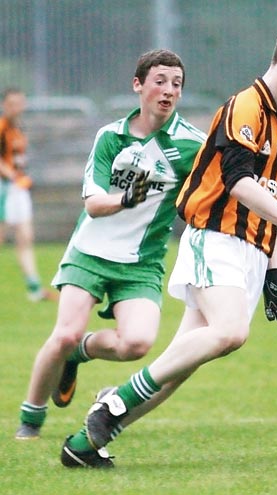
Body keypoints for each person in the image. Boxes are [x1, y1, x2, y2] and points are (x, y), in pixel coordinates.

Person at [60, 21, 277, 469]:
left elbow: (271, 196)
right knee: (231, 332)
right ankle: (113, 404)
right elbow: (238, 182)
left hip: (250, 250)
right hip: (215, 239)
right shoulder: (245, 106)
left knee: (179, 366)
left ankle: (83, 445)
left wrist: (273, 269)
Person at [15, 49, 206, 442]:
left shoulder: (191, 145)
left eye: (177, 84)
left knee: (136, 344)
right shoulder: (110, 137)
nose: (169, 90)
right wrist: (127, 198)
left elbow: (214, 187)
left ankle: (79, 353)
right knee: (63, 332)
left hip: (141, 263)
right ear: (138, 85)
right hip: (90, 254)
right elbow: (93, 204)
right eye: (160, 81)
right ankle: (30, 422)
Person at [0, 88, 56, 302]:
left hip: (18, 188)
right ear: (5, 105)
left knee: (25, 236)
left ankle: (34, 288)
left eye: (20, 103)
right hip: (5, 188)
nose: (17, 107)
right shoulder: (2, 127)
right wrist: (11, 176)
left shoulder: (19, 128)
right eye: (12, 103)